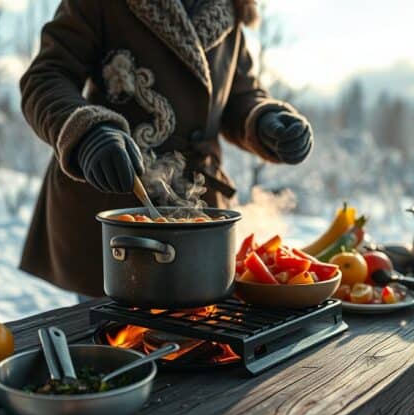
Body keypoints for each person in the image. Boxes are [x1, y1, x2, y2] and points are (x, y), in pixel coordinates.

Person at [19, 0, 314, 298]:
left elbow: (239, 96)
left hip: (197, 218)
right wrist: (88, 132)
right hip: (114, 208)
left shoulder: (230, 9)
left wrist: (264, 121)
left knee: (197, 338)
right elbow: (45, 78)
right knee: (111, 338)